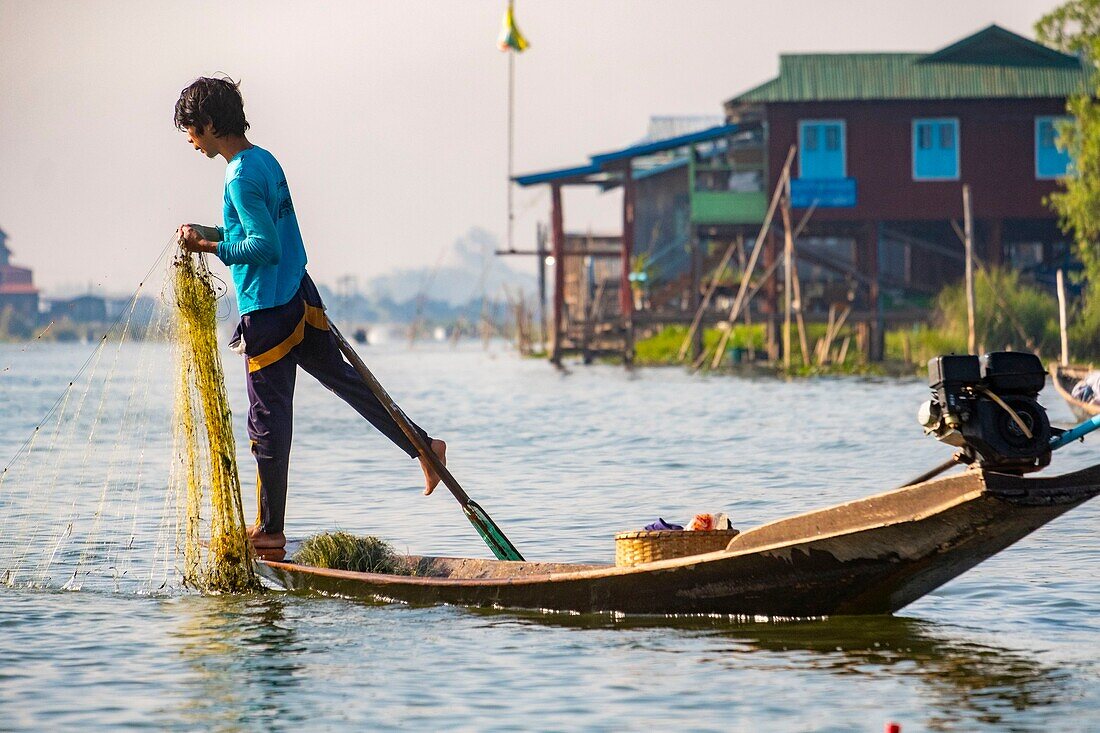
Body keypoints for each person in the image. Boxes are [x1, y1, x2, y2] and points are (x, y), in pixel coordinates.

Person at [173, 76, 446, 551]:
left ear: (210, 124)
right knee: (349, 384)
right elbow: (252, 226)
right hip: (300, 296)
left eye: (192, 130)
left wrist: (213, 247)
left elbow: (262, 245)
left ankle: (269, 531)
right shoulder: (263, 160)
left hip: (269, 311)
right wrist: (211, 230)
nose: (191, 141)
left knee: (267, 422)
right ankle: (423, 445)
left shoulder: (238, 175)